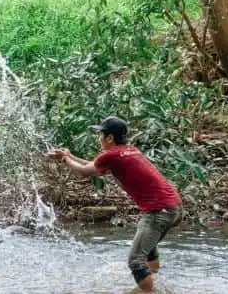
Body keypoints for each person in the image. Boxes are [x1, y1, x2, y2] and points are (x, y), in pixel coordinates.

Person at [46, 116, 183, 293]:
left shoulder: (111, 155)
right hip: (175, 208)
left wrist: (65, 159)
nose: (99, 138)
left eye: (101, 134)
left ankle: (150, 291)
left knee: (135, 261)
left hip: (159, 212)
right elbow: (93, 165)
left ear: (110, 138)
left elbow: (84, 172)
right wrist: (69, 155)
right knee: (148, 250)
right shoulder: (129, 150)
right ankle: (154, 282)